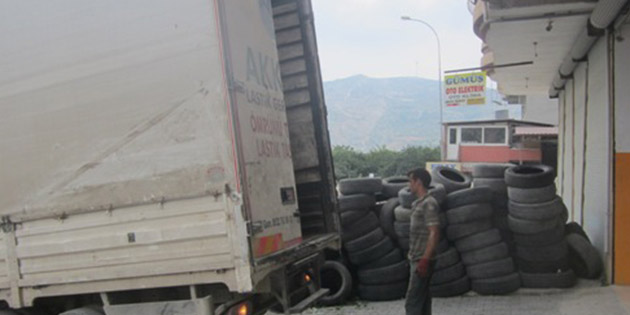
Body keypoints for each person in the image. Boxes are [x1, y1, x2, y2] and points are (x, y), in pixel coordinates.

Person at [405, 168, 440, 315]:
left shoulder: (429, 203)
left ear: (418, 182)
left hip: (422, 259)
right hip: (416, 257)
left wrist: (425, 259)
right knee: (423, 301)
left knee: (412, 303)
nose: (408, 185)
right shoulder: (417, 204)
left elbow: (434, 231)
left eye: (410, 181)